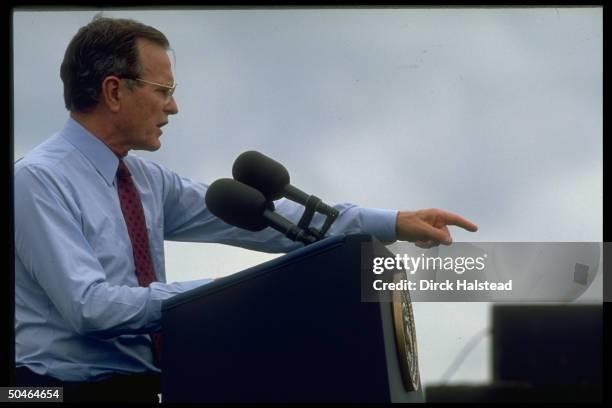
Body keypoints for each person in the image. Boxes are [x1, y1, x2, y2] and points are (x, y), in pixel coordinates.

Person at [13, 16, 478, 403]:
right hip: (54, 391)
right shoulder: (37, 180)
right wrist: (208, 297)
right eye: (163, 90)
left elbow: (265, 219)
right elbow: (89, 308)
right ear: (114, 92)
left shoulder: (147, 181)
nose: (173, 107)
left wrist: (390, 221)